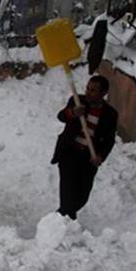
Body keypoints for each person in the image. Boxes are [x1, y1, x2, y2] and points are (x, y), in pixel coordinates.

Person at [51, 75, 118, 220]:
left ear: (103, 93)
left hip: (88, 158)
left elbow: (109, 140)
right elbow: (61, 116)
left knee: (82, 196)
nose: (88, 92)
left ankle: (63, 216)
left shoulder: (110, 114)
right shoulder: (77, 101)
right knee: (68, 192)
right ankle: (61, 222)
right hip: (70, 152)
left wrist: (100, 156)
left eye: (93, 90)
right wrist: (73, 113)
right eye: (88, 88)